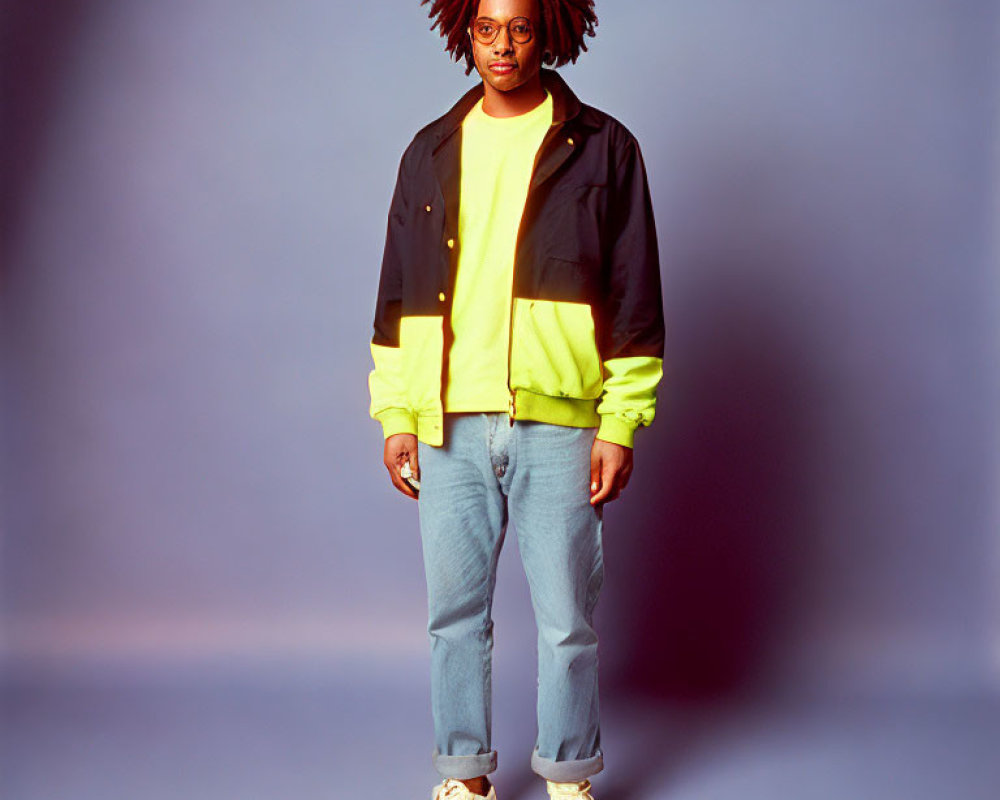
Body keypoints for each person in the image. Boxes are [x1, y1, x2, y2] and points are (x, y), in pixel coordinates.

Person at [367, 0, 664, 797]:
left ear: (550, 32)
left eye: (521, 27)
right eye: (487, 28)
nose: (503, 45)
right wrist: (397, 412)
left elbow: (636, 297)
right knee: (454, 615)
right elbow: (397, 297)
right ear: (464, 30)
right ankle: (464, 777)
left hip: (559, 421)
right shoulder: (429, 153)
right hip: (449, 420)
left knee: (568, 620)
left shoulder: (605, 149)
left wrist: (620, 423)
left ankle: (568, 775)